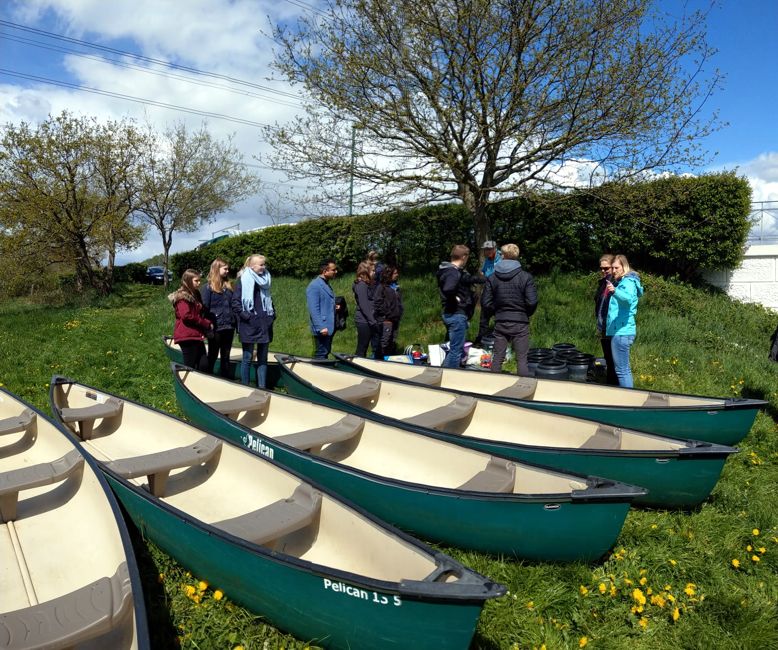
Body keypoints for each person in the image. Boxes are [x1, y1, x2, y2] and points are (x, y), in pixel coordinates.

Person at [481, 243, 537, 375]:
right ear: (517, 256)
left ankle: (493, 389)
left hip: (501, 321)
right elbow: (532, 301)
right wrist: (525, 314)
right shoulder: (525, 277)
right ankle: (522, 391)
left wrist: (496, 312)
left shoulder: (492, 277)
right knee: (522, 359)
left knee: (497, 358)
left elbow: (485, 302)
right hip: (520, 321)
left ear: (503, 255)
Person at [231, 254, 274, 388]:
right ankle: (245, 386)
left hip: (265, 323)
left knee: (263, 358)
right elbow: (236, 303)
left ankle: (262, 387)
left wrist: (272, 316)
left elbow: (269, 300)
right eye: (261, 265)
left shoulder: (265, 280)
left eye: (264, 264)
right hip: (249, 324)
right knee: (247, 358)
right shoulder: (243, 280)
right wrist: (247, 317)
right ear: (252, 266)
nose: (264, 267)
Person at [605, 254, 644, 388]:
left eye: (617, 267)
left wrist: (615, 291)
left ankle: (628, 400)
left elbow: (627, 300)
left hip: (622, 332)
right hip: (620, 331)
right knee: (622, 369)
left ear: (624, 267)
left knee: (622, 371)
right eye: (613, 268)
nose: (614, 270)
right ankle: (628, 398)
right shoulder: (624, 282)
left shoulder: (627, 282)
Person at [437, 244, 476, 368]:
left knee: (453, 348)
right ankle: (450, 377)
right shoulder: (453, 272)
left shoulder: (446, 270)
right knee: (456, 351)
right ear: (464, 257)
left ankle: (444, 372)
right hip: (456, 314)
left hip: (449, 312)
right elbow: (448, 289)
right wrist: (455, 298)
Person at [169, 269, 213, 372]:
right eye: (196, 280)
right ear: (188, 281)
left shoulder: (196, 294)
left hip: (196, 335)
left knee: (203, 365)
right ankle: (185, 386)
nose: (199, 283)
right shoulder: (182, 297)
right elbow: (186, 316)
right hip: (187, 336)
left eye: (199, 280)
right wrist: (205, 323)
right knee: (190, 366)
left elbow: (198, 313)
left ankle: (200, 386)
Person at [201, 258, 235, 378]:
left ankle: (225, 377)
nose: (227, 271)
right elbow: (204, 309)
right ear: (217, 269)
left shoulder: (229, 286)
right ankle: (209, 377)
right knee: (213, 354)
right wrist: (206, 328)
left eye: (228, 268)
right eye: (225, 268)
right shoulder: (207, 288)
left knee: (226, 355)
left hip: (229, 326)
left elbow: (233, 305)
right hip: (215, 327)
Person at [306, 259, 338, 359]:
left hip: (328, 325)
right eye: (333, 270)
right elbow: (313, 309)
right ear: (325, 271)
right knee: (321, 353)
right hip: (323, 327)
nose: (336, 272)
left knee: (325, 351)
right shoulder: (314, 286)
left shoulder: (325, 283)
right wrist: (320, 327)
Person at [594, 254, 618, 385]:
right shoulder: (603, 283)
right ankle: (610, 382)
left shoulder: (617, 282)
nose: (603, 271)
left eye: (606, 268)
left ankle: (615, 384)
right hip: (603, 324)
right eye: (601, 268)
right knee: (608, 357)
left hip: (612, 326)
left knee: (614, 358)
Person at [475, 240, 501, 346]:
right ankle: (481, 340)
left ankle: (500, 341)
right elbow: (484, 272)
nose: (487, 251)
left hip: (499, 292)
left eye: (489, 249)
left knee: (499, 317)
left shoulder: (502, 258)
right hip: (488, 290)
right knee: (484, 317)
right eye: (485, 250)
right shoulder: (487, 260)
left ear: (495, 248)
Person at [374, 265, 404, 356]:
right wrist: (387, 314)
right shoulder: (382, 287)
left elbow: (398, 302)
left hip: (395, 319)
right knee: (385, 342)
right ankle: (381, 359)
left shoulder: (396, 287)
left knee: (392, 341)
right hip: (386, 320)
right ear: (388, 275)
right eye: (395, 273)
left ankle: (390, 359)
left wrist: (400, 311)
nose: (397, 275)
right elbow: (377, 303)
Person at [352, 261, 379, 358]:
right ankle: (357, 367)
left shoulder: (367, 284)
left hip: (369, 320)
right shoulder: (361, 285)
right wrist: (372, 321)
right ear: (365, 272)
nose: (374, 273)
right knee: (362, 347)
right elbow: (364, 305)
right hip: (364, 321)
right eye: (372, 271)